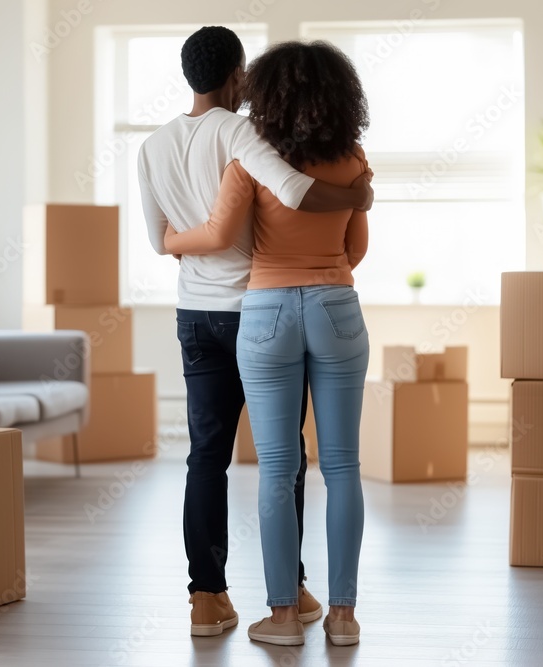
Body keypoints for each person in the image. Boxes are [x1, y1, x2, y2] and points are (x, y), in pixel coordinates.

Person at [137, 26, 373, 638]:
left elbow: (197, 234)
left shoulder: (183, 150)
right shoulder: (317, 152)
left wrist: (168, 244)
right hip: (303, 305)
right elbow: (341, 236)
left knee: (225, 460)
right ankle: (325, 607)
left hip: (230, 311)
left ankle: (237, 606)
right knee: (325, 463)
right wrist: (356, 199)